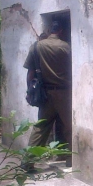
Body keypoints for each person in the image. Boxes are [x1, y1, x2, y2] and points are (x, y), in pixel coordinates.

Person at [23, 21, 72, 170]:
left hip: (45, 94)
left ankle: (27, 162)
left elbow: (30, 72)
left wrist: (29, 91)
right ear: (61, 31)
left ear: (50, 30)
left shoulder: (37, 46)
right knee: (70, 126)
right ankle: (71, 159)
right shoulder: (66, 47)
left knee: (41, 127)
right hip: (65, 93)